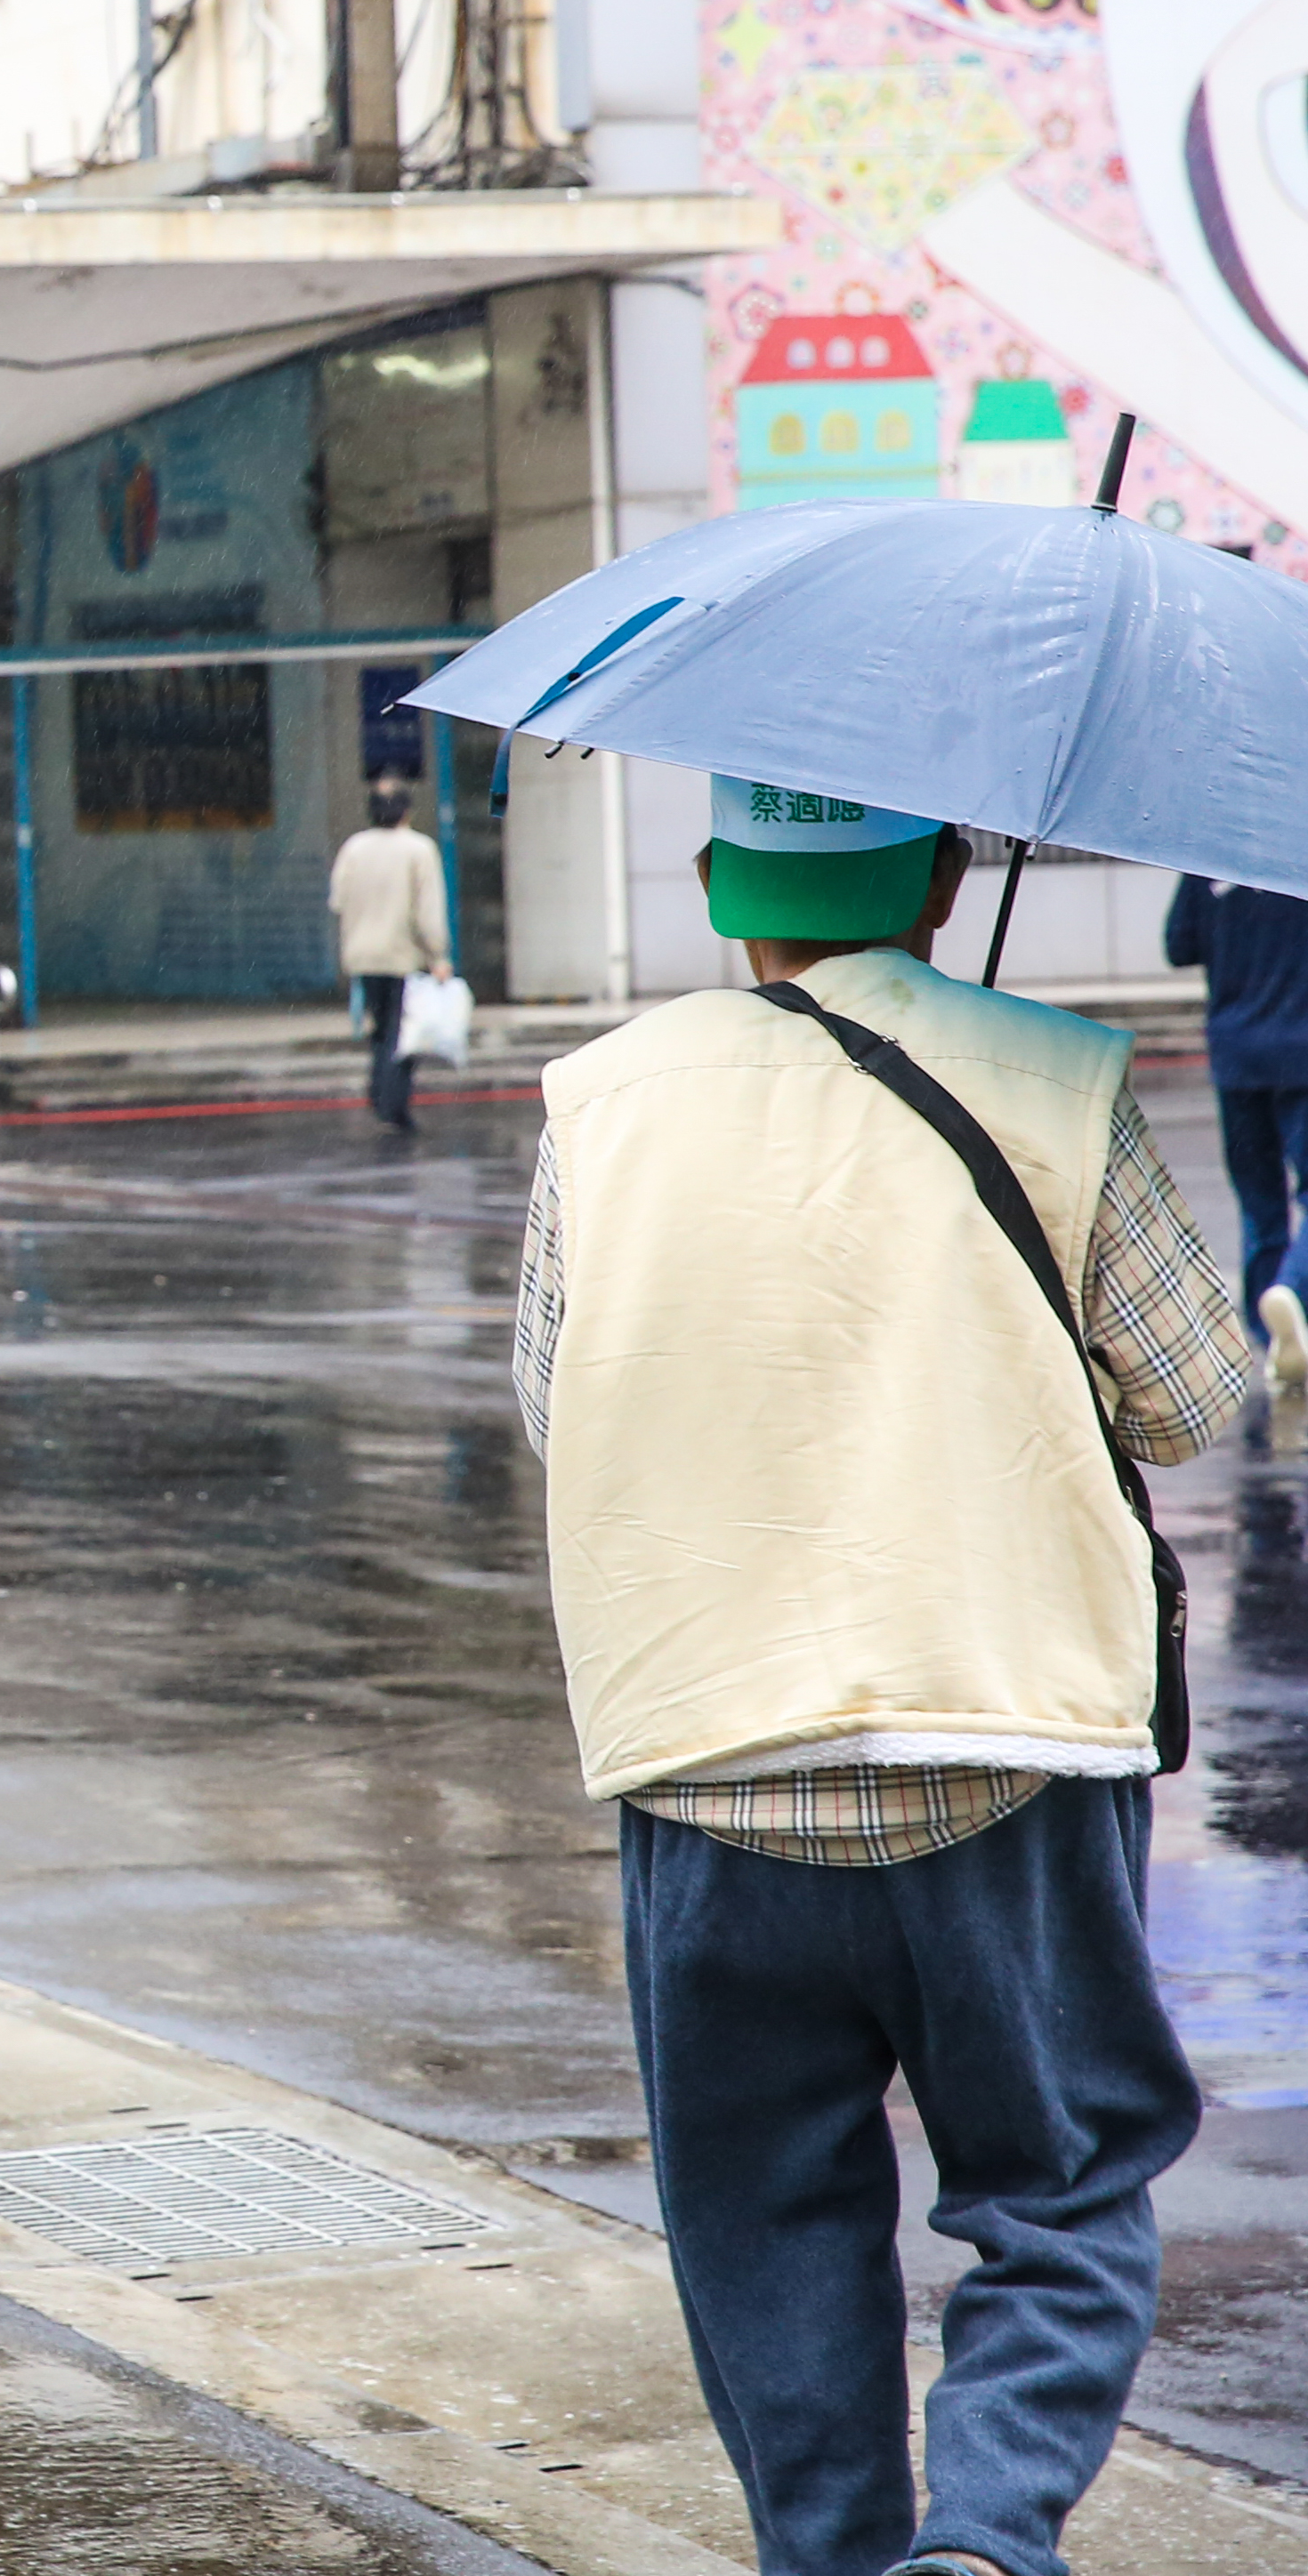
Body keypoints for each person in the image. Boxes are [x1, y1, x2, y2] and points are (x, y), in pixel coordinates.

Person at [515, 779, 1249, 2576]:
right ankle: (986, 2534)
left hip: (710, 1750)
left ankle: (832, 2553)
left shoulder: (601, 1101)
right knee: (1060, 2188)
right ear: (941, 876)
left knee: (760, 2215)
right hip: (998, 1739)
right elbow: (1193, 1391)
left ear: (712, 891)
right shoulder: (1057, 1075)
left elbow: (559, 1399)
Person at [1159, 872, 1308, 1388]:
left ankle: (1274, 1347)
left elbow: (1179, 944)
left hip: (1236, 1057)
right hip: (1302, 1054)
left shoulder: (1212, 866)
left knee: (1259, 1207)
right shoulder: (1298, 859)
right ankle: (1292, 1293)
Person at [330, 778, 453, 1131]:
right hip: (402, 956)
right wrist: (438, 956)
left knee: (380, 1028)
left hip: (362, 955)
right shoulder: (419, 849)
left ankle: (379, 1093)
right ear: (406, 811)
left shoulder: (354, 848)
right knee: (402, 1034)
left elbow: (338, 899)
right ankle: (392, 1104)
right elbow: (428, 912)